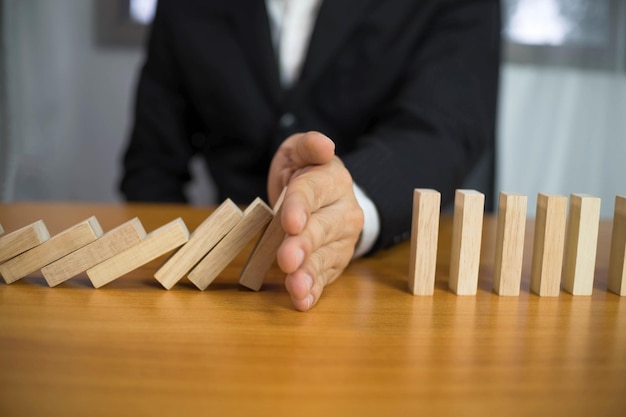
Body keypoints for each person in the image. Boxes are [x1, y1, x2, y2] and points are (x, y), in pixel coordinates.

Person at [120, 0, 501, 311]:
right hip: (227, 290)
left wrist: (353, 204)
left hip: (383, 284)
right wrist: (177, 269)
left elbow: (445, 125)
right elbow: (151, 165)